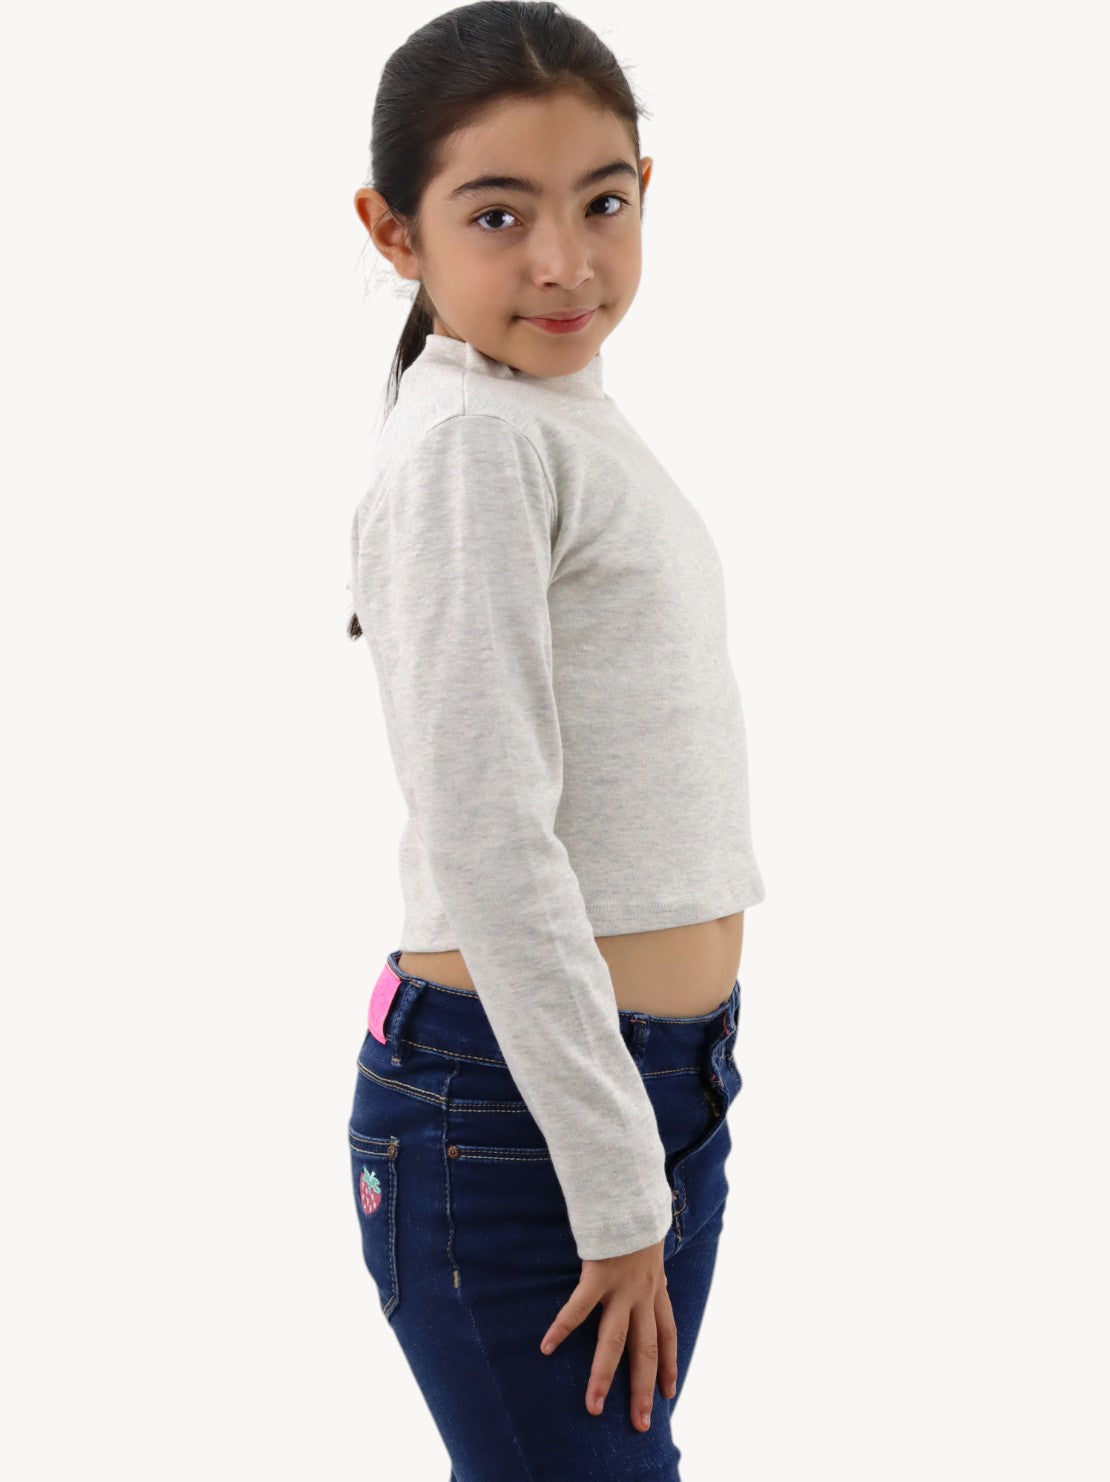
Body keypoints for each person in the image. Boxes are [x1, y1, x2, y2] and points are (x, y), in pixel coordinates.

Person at [345, 4, 765, 1476]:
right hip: (525, 1114)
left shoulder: (552, 421)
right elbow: (489, 841)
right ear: (395, 233)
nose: (563, 261)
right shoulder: (473, 444)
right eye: (497, 213)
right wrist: (614, 1184)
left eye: (601, 202)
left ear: (648, 190)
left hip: (640, 1091)